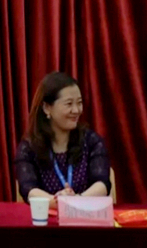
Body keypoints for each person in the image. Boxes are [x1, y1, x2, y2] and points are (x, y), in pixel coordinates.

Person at [14, 72, 111, 208]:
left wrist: (77, 201)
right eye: (69, 104)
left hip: (84, 215)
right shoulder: (29, 147)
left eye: (79, 103)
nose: (76, 110)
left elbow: (102, 183)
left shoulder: (92, 141)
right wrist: (57, 201)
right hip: (46, 217)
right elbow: (28, 189)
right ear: (47, 108)